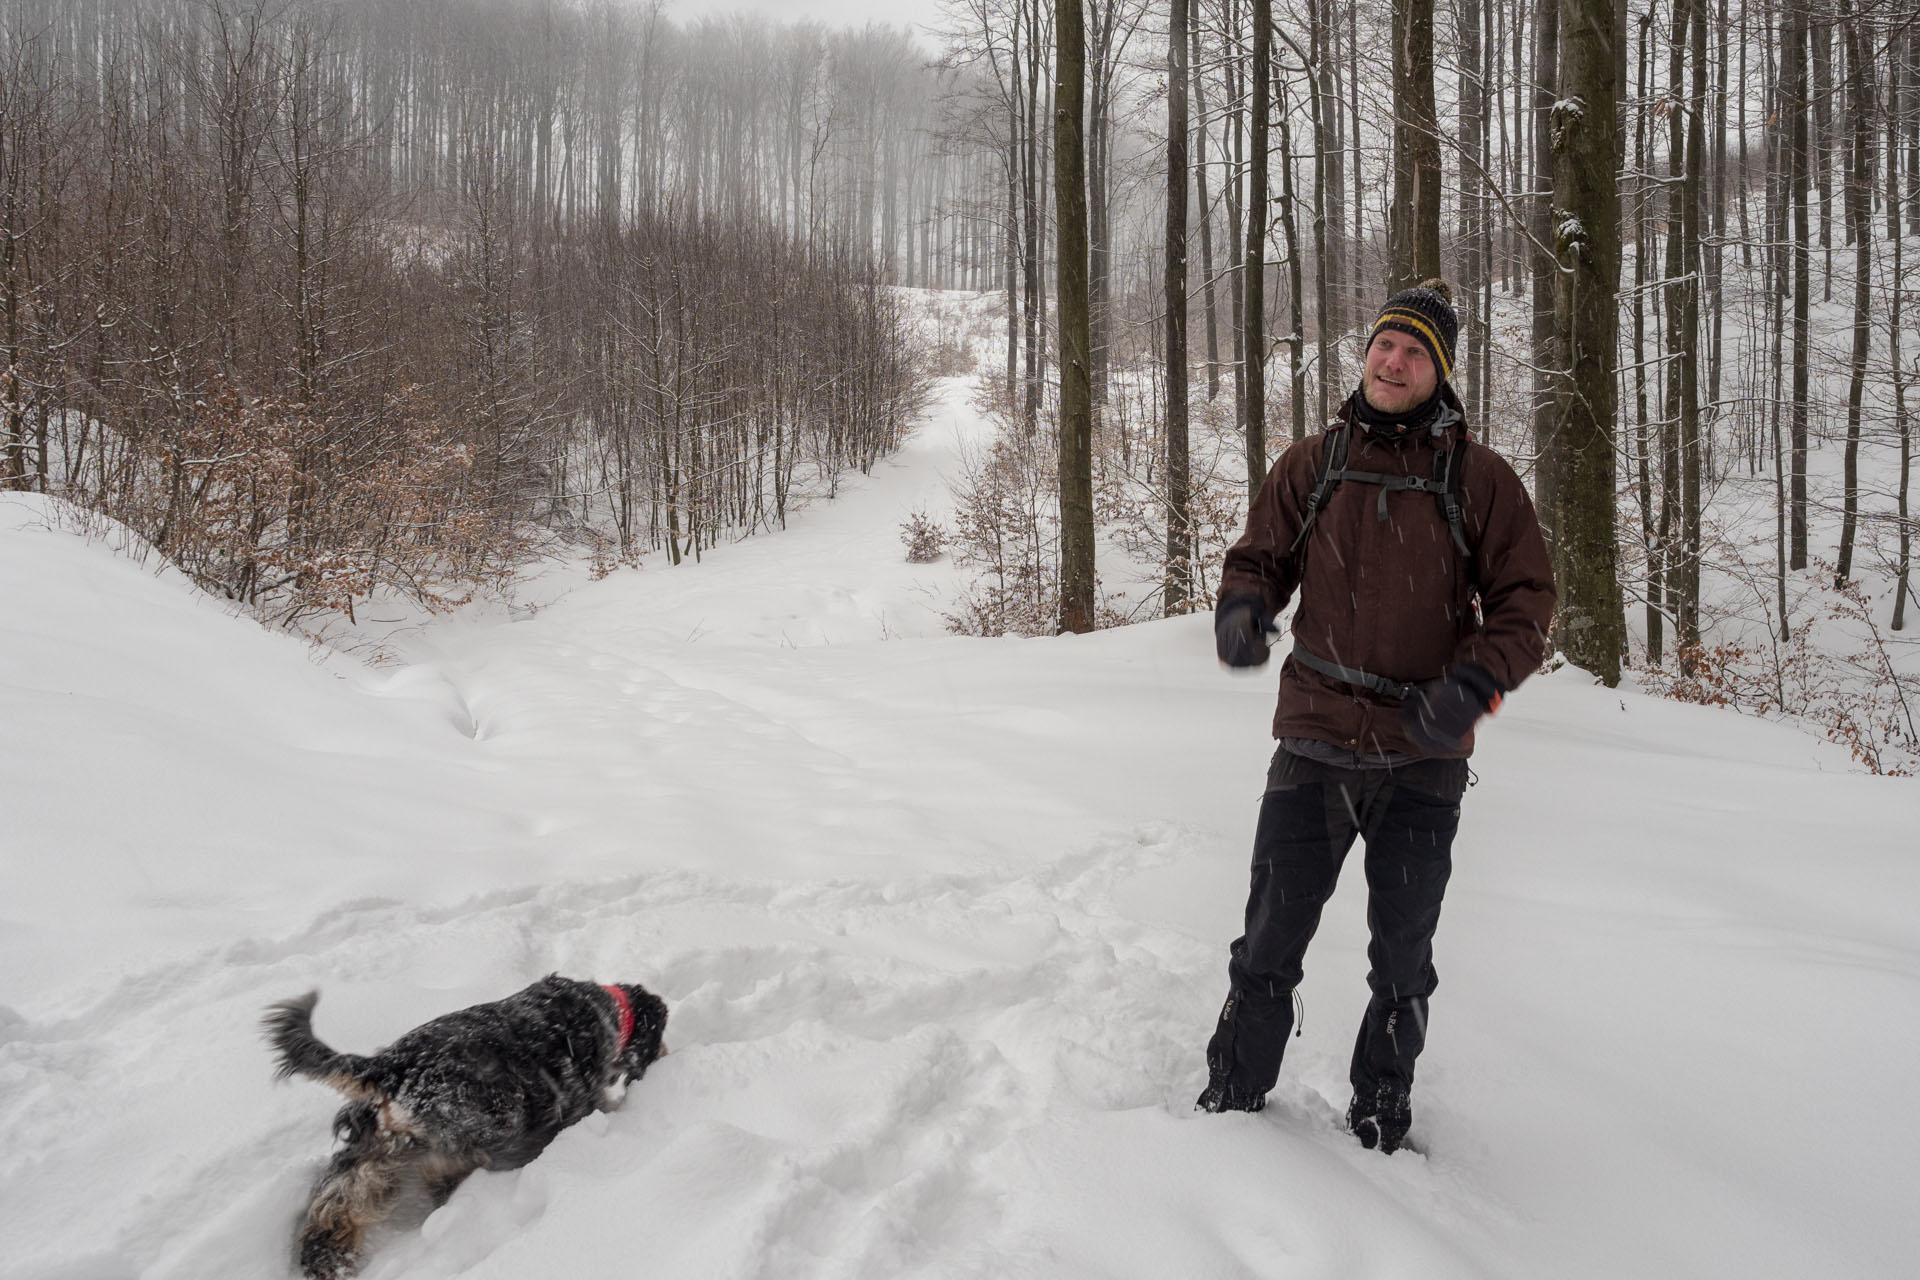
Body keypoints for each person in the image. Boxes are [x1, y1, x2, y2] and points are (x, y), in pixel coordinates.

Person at [1196, 280, 1556, 1153]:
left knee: (1402, 962)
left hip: (1422, 757)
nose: (1394, 363)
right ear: (1367, 354)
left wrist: (1473, 685)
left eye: (1415, 353)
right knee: (1269, 940)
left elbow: (1526, 601)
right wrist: (1243, 610)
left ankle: (1380, 1113)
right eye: (1385, 346)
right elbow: (1259, 558)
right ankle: (1233, 1097)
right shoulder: (1312, 463)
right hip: (1314, 739)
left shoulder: (1479, 478)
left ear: (1440, 372)